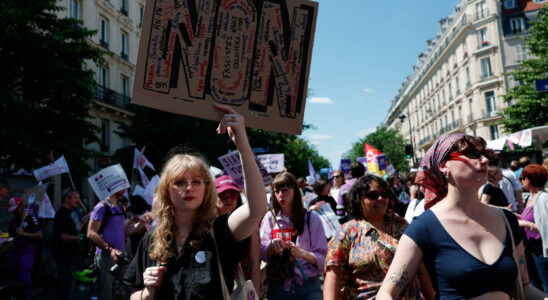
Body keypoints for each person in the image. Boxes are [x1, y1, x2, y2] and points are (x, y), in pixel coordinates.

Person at [123, 104, 267, 300]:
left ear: (207, 190)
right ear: (167, 191)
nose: (189, 188)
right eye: (180, 182)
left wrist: (242, 142)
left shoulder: (219, 231)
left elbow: (257, 208)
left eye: (196, 181)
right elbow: (134, 295)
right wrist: (148, 292)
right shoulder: (152, 239)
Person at [377, 133, 545, 299]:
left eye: (484, 154)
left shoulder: (507, 220)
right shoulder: (424, 227)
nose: (485, 160)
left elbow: (525, 289)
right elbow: (386, 293)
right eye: (472, 154)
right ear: (444, 166)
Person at [324, 175, 432, 299]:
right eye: (373, 195)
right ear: (359, 199)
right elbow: (334, 275)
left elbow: (419, 266)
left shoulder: (400, 225)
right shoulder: (346, 233)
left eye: (384, 194)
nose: (381, 198)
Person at [260, 172, 327, 300]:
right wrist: (271, 247)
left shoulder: (311, 219)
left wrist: (302, 253)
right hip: (278, 284)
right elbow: (262, 252)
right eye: (277, 191)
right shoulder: (270, 218)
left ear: (295, 191)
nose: (280, 195)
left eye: (285, 190)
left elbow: (323, 258)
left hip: (308, 285)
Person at [87, 188, 138, 300]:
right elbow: (91, 233)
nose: (124, 190)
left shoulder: (120, 208)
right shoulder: (101, 207)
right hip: (105, 257)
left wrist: (141, 224)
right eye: (122, 188)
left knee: (131, 289)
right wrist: (109, 250)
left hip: (121, 256)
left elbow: (123, 233)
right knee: (106, 294)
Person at [214, 174, 262, 295]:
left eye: (233, 194)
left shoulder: (250, 225)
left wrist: (254, 295)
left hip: (236, 289)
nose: (228, 199)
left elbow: (254, 262)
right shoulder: (204, 224)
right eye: (222, 195)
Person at [8, 196, 43, 300]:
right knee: (15, 275)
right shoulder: (14, 221)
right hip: (16, 252)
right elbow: (11, 236)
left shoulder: (31, 218)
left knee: (24, 277)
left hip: (27, 252)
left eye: (15, 209)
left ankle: (28, 295)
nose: (14, 211)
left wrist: (25, 234)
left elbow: (40, 235)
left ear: (20, 206)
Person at [522, 164, 548, 292]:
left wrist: (525, 224)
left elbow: (545, 228)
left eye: (522, 178)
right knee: (536, 287)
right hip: (532, 249)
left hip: (541, 249)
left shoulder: (542, 198)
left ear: (527, 180)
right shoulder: (532, 198)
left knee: (545, 286)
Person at [53, 189, 82, 300]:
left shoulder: (68, 214)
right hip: (65, 258)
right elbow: (65, 237)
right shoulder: (62, 214)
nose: (78, 201)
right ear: (66, 199)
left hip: (69, 257)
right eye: (75, 198)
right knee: (66, 289)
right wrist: (80, 239)